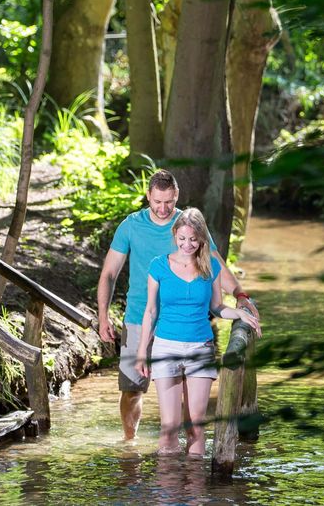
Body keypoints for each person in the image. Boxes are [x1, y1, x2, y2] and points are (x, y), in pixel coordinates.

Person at [97, 169, 259, 440]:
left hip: (183, 323)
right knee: (132, 389)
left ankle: (188, 449)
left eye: (169, 202)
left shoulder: (188, 226)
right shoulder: (131, 225)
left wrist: (240, 295)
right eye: (157, 201)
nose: (163, 208)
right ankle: (130, 441)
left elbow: (215, 262)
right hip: (139, 318)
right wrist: (103, 317)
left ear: (177, 197)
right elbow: (109, 274)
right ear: (148, 196)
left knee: (186, 391)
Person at [135, 208, 261, 457]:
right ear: (175, 235)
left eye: (193, 239)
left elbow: (216, 307)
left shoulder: (211, 267)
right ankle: (168, 492)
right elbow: (150, 312)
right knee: (169, 429)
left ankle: (195, 491)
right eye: (182, 238)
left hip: (199, 349)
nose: (187, 244)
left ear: (202, 238)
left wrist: (241, 313)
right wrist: (142, 351)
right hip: (165, 348)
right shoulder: (158, 266)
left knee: (195, 427)